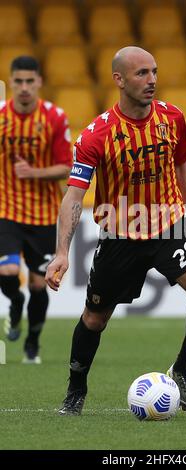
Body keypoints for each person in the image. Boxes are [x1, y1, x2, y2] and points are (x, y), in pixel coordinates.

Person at [45, 46, 186, 415]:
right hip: (121, 233)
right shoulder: (95, 136)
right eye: (142, 73)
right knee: (94, 319)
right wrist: (62, 251)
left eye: (154, 72)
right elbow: (74, 198)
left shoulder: (172, 117)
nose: (152, 80)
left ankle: (182, 371)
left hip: (169, 224)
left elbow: (182, 165)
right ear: (119, 80)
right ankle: (76, 389)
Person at [0, 56, 72, 363]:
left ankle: (32, 342)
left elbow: (67, 167)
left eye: (30, 81)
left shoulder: (55, 117)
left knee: (40, 285)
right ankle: (15, 304)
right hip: (6, 210)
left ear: (39, 82)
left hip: (44, 215)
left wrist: (35, 173)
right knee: (8, 271)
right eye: (18, 81)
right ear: (11, 82)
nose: (24, 87)